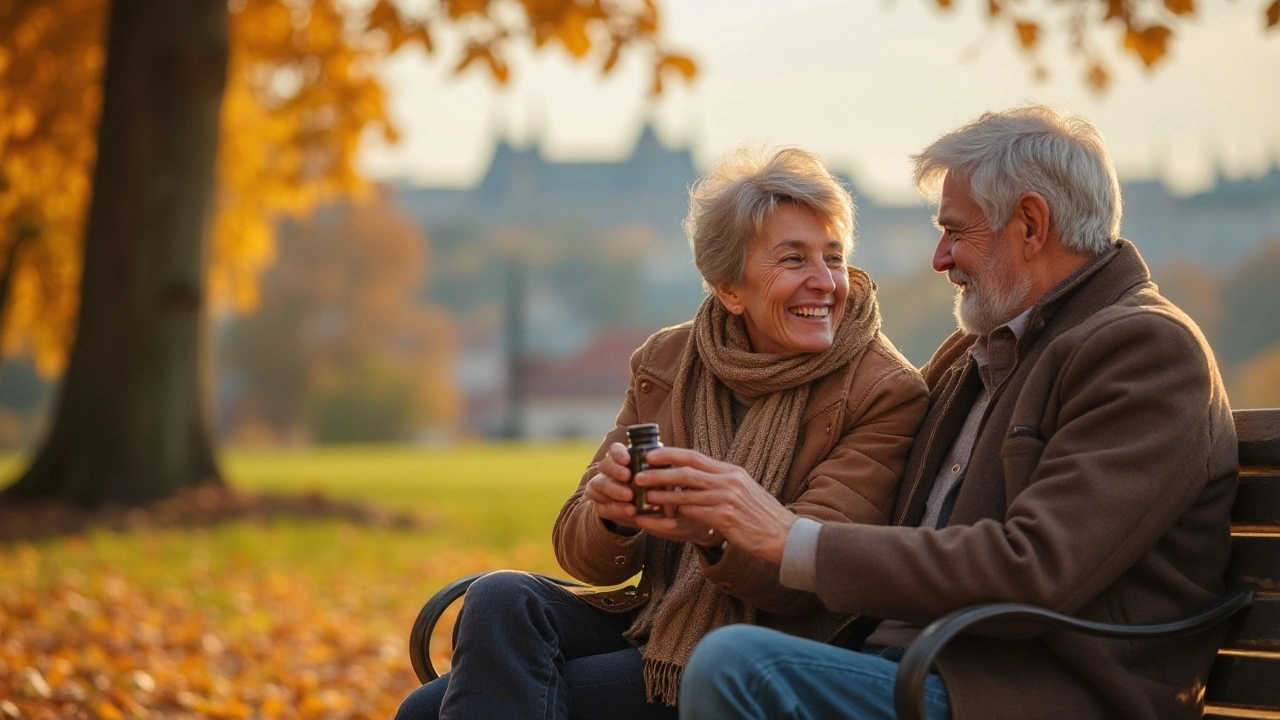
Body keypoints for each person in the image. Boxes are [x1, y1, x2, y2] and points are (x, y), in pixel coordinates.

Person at [658, 105, 1238, 720]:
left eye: (956, 232)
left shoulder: (1146, 350)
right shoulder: (980, 351)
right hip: (908, 667)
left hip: (1019, 693)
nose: (940, 258)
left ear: (1031, 225)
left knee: (735, 667)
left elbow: (1031, 568)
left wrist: (790, 537)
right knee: (583, 634)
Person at [393, 146, 929, 720]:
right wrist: (613, 516)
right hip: (655, 620)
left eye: (834, 257)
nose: (824, 283)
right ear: (730, 288)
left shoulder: (883, 390)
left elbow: (810, 574)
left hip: (766, 650)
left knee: (429, 713)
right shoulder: (670, 360)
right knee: (501, 596)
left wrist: (716, 528)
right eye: (794, 260)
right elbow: (581, 551)